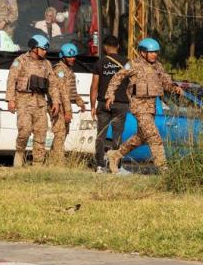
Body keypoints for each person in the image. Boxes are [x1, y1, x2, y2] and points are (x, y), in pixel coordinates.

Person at [104, 38, 183, 174]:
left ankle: (115, 155)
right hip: (139, 106)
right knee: (153, 135)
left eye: (156, 52)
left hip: (151, 106)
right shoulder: (132, 64)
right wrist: (110, 94)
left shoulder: (158, 66)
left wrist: (175, 88)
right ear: (142, 52)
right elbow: (117, 77)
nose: (154, 55)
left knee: (141, 138)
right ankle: (164, 169)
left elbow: (166, 82)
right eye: (151, 52)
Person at [6, 34, 61, 167]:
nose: (45, 52)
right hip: (24, 101)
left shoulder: (47, 64)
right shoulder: (20, 60)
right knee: (24, 131)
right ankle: (19, 153)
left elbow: (53, 84)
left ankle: (38, 165)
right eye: (42, 49)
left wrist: (55, 101)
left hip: (40, 102)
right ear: (34, 48)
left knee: (41, 133)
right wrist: (10, 100)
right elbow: (11, 80)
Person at [91, 35, 129, 172]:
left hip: (102, 103)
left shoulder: (100, 63)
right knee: (117, 136)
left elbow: (94, 86)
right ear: (118, 46)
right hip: (121, 104)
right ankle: (116, 166)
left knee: (101, 135)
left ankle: (99, 166)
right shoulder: (127, 63)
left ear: (105, 47)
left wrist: (92, 106)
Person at [50, 43, 86, 161]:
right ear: (63, 56)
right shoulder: (59, 70)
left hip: (66, 106)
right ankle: (58, 163)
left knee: (62, 134)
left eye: (74, 56)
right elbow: (63, 92)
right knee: (60, 134)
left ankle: (52, 160)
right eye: (69, 57)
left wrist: (79, 101)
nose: (73, 59)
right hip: (59, 106)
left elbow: (70, 90)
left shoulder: (68, 70)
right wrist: (68, 111)